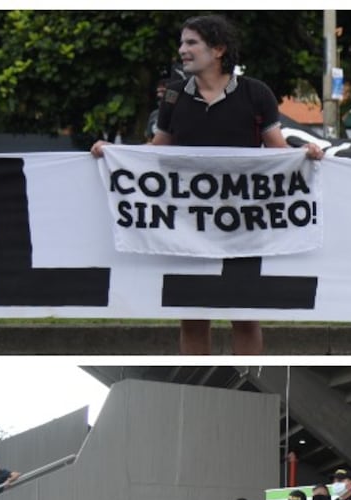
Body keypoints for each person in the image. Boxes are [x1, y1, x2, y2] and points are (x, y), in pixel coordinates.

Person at [90, 15, 324, 355]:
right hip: (188, 222)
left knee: (245, 315)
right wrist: (114, 152)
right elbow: (159, 149)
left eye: (191, 43)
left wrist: (305, 154)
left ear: (218, 49)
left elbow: (277, 149)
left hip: (244, 222)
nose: (182, 50)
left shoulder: (255, 93)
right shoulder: (173, 96)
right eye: (182, 43)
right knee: (193, 314)